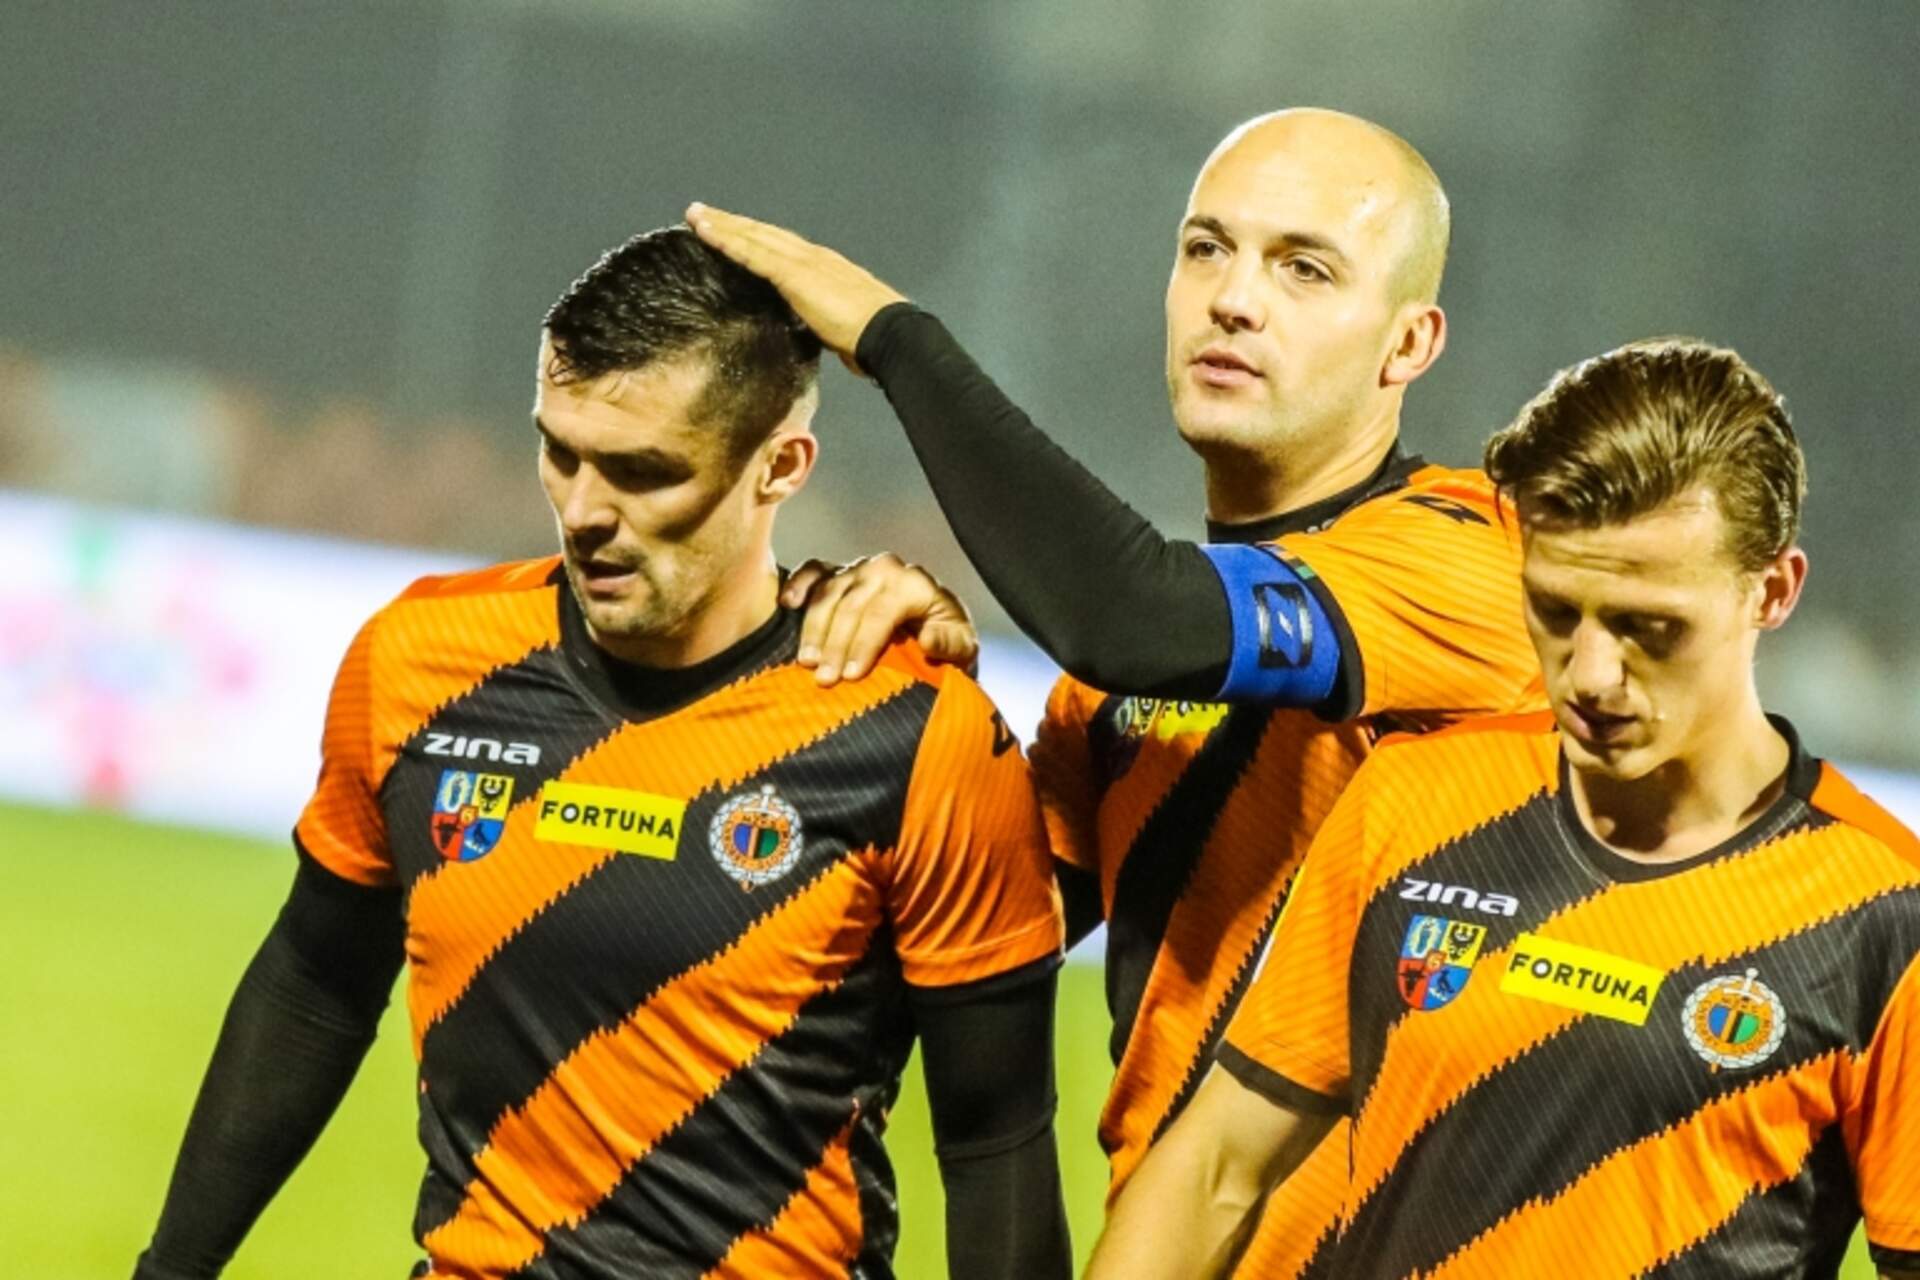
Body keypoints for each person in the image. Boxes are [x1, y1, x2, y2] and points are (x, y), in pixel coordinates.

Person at [689, 108, 1542, 1274]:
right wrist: (923, 686)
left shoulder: (1471, 554)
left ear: (1408, 344)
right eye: (1207, 249)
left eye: (1304, 268)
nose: (1233, 299)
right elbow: (954, 931)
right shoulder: (1128, 682)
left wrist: (897, 341)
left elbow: (1129, 614)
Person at [132, 227, 1071, 1280]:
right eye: (560, 452)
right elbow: (315, 983)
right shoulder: (420, 663)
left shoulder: (911, 733)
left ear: (779, 467)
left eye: (642, 472)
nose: (584, 512)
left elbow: (997, 1139)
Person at [1087, 338, 1920, 1279]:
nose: (1591, 675)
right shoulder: (1415, 794)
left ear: (1772, 592)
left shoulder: (1886, 916)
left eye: (1648, 627)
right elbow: (1214, 1170)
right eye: (1558, 612)